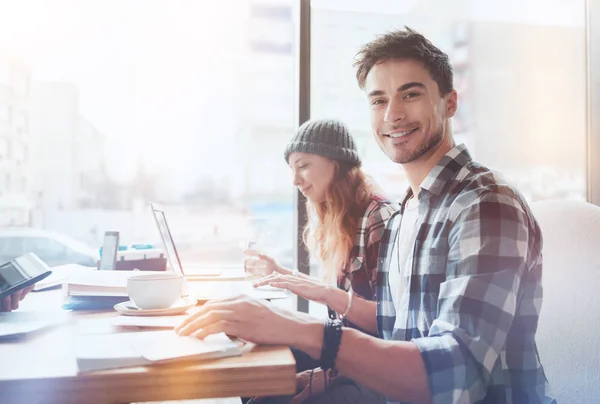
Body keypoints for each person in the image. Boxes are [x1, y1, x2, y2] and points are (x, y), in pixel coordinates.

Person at [177, 27, 554, 404]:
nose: (393, 114)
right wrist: (328, 376)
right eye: (378, 100)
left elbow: (456, 376)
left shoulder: (485, 204)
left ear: (450, 103)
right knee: (259, 392)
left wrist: (300, 328)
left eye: (411, 94)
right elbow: (391, 335)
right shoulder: (408, 212)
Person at [247, 118, 398, 402]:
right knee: (257, 367)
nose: (295, 180)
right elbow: (349, 300)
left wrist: (328, 374)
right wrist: (283, 274)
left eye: (303, 166)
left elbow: (388, 325)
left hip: (373, 368)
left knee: (267, 395)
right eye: (292, 169)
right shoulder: (345, 214)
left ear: (337, 164)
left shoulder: (380, 216)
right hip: (348, 349)